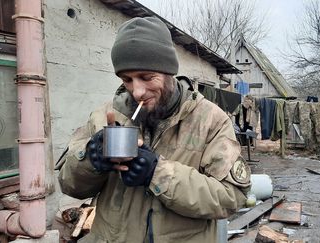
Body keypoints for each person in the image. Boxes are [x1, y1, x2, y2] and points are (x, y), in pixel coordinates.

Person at [57, 16, 251, 243]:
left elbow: (231, 198)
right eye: (127, 79)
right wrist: (90, 160)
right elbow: (69, 185)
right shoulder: (105, 116)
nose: (137, 91)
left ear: (169, 71)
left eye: (147, 77)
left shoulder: (210, 121)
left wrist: (158, 173)